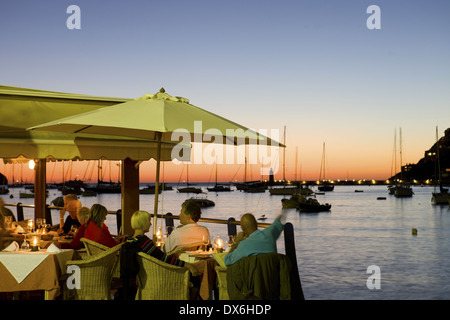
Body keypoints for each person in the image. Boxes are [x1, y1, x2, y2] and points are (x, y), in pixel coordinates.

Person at [118, 210, 196, 300]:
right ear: (143, 223)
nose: (151, 224)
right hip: (160, 280)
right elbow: (164, 259)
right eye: (149, 221)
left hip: (142, 280)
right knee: (194, 278)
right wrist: (186, 265)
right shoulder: (144, 242)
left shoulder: (130, 240)